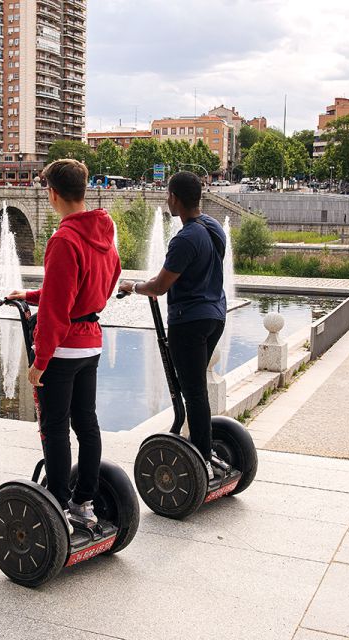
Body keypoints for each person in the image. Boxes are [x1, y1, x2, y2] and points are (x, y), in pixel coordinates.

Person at [7, 159, 121, 529]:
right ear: (82, 190)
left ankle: (56, 505)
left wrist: (40, 360)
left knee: (54, 428)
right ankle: (84, 502)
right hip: (91, 344)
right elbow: (94, 286)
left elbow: (58, 308)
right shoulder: (104, 232)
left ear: (53, 194)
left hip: (65, 348)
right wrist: (28, 294)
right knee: (86, 424)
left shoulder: (64, 239)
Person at [119, 171, 227, 481]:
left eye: (169, 195)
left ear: (174, 199)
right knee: (194, 389)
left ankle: (203, 459)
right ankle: (202, 448)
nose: (167, 201)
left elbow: (160, 286)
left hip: (189, 321)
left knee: (193, 393)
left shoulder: (185, 237)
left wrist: (133, 286)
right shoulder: (214, 227)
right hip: (215, 315)